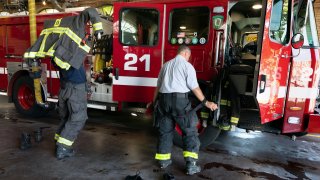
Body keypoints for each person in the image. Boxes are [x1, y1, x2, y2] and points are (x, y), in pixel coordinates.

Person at [153, 45, 218, 175]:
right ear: (186, 53)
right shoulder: (187, 66)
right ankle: (191, 165)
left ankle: (163, 161)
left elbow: (158, 86)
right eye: (189, 56)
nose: (188, 58)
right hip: (179, 101)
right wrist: (206, 102)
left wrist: (153, 102)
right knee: (189, 131)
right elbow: (195, 87)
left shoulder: (165, 65)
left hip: (163, 101)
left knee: (165, 131)